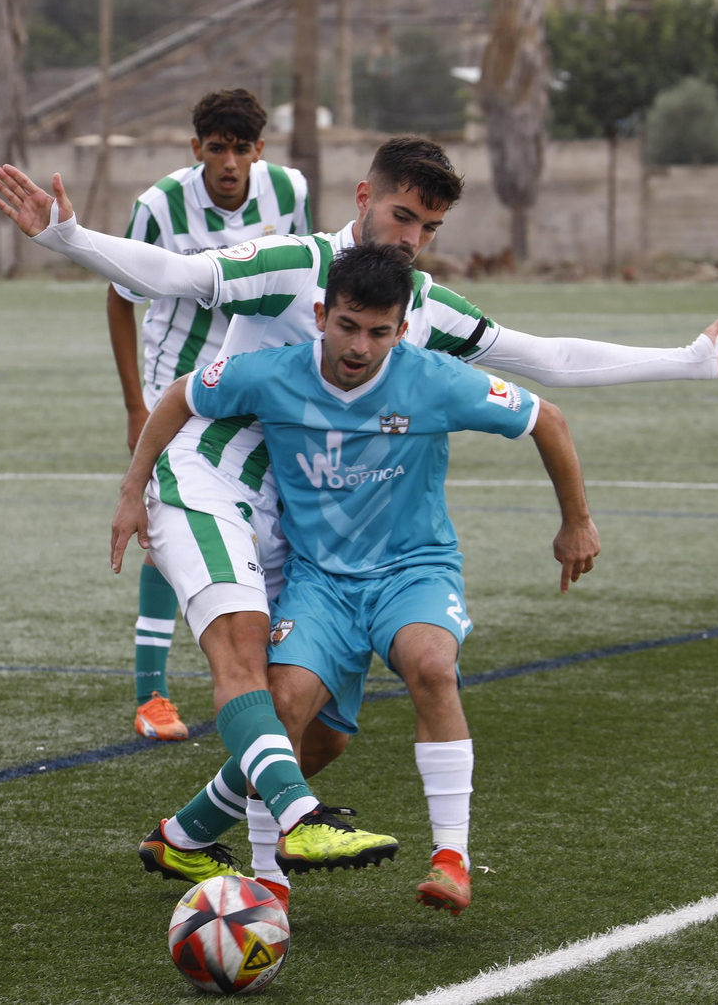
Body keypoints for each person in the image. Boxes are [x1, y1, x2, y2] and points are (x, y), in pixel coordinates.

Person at [0, 137, 718, 899]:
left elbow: (545, 360)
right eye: (403, 217)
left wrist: (689, 360)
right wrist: (68, 236)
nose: (414, 240)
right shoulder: (295, 265)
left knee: (323, 729)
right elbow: (180, 273)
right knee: (247, 661)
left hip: (303, 521)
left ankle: (187, 837)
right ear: (363, 199)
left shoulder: (420, 305)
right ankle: (293, 832)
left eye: (429, 229)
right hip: (213, 482)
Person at [114, 244, 595, 914]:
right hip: (320, 583)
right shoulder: (272, 374)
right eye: (347, 325)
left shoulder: (434, 379)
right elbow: (179, 396)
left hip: (413, 569)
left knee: (431, 664)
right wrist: (133, 489)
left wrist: (576, 521)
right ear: (320, 314)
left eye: (379, 331)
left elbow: (547, 417)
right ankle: (263, 885)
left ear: (402, 330)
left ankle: (451, 859)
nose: (361, 346)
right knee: (289, 714)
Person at [106, 88, 310, 744]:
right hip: (177, 381)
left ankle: (277, 666)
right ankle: (152, 694)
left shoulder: (289, 192)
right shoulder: (159, 206)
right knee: (171, 524)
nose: (229, 162)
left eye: (241, 149)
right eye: (216, 148)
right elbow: (119, 299)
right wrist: (137, 402)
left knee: (266, 514)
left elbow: (300, 282)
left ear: (260, 150)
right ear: (196, 150)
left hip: (253, 379)